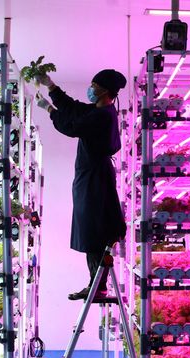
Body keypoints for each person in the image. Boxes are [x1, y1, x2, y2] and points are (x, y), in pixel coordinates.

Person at [35, 69, 127, 301]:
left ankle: (97, 285)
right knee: (91, 230)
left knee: (94, 231)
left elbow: (72, 127)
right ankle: (96, 284)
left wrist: (49, 110)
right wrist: (51, 86)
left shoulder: (103, 115)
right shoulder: (98, 110)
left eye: (94, 85)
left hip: (94, 179)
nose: (91, 88)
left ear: (105, 91)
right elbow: (74, 108)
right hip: (91, 177)